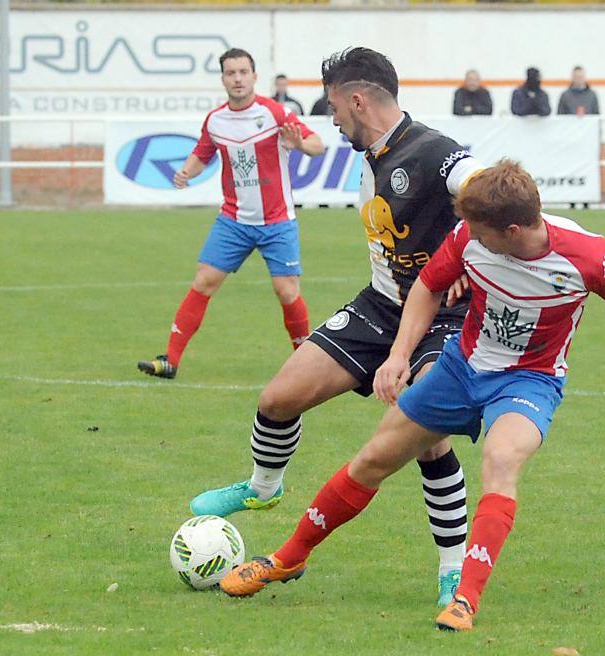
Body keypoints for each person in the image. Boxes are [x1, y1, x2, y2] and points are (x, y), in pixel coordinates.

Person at [219, 160, 605, 632]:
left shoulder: (592, 256)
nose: (470, 236)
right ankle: (288, 557)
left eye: (480, 231)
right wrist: (398, 356)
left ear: (512, 231)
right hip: (460, 369)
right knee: (372, 460)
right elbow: (428, 286)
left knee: (501, 459)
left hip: (529, 380)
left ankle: (465, 599)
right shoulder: (470, 237)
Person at [190, 47, 486, 605]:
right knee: (278, 398)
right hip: (381, 305)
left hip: (443, 317)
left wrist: (472, 256)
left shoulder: (432, 150)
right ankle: (262, 488)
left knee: (425, 433)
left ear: (357, 101)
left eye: (332, 106)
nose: (330, 118)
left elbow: (490, 187)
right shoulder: (372, 154)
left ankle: (453, 568)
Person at [137, 48, 325, 380]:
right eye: (230, 73)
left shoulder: (274, 112)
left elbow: (317, 144)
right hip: (234, 220)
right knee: (204, 281)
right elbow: (202, 153)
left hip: (277, 221)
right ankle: (170, 360)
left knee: (286, 291)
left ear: (254, 76)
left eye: (243, 72)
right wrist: (186, 172)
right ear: (223, 79)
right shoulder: (216, 120)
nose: (237, 79)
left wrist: (298, 143)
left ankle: (305, 366)